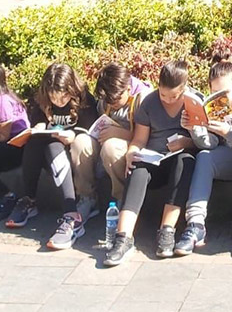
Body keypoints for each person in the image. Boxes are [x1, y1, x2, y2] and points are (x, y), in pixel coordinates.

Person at [104, 59, 196, 266]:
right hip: (154, 158)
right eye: (163, 94)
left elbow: (202, 142)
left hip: (178, 159)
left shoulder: (193, 102)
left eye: (174, 95)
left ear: (184, 88)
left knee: (186, 160)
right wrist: (132, 152)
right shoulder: (149, 103)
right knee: (138, 165)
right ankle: (123, 237)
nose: (168, 100)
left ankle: (167, 230)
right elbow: (139, 139)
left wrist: (187, 141)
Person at [174, 59, 232, 258]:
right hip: (224, 158)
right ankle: (195, 224)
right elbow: (209, 145)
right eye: (215, 93)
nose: (221, 98)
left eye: (226, 93)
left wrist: (229, 133)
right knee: (205, 157)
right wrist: (195, 128)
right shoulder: (210, 106)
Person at [5, 62, 98, 248]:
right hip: (49, 153)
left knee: (53, 146)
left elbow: (92, 130)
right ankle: (29, 200)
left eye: (64, 97)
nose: (59, 102)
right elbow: (38, 122)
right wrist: (39, 126)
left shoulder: (84, 99)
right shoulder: (42, 101)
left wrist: (73, 135)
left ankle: (71, 215)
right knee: (35, 141)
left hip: (71, 154)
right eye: (54, 98)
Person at [93, 63, 152, 204]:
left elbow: (150, 137)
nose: (113, 104)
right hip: (106, 142)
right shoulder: (106, 99)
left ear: (128, 89)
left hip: (134, 148)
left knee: (110, 147)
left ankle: (122, 198)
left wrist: (120, 134)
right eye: (108, 101)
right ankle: (87, 196)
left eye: (117, 99)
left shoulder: (143, 99)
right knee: (81, 142)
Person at [0, 64, 29, 221]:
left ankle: (7, 195)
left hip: (16, 147)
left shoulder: (3, 100)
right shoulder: (7, 95)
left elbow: (4, 135)